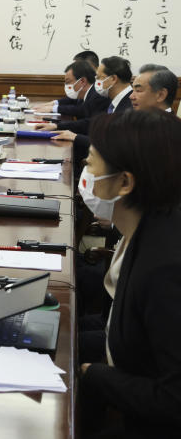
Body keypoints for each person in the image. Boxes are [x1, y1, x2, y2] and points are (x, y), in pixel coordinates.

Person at [78, 110, 181, 437]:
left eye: (91, 162)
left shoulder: (166, 268)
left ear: (125, 182)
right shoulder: (148, 227)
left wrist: (95, 375)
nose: (85, 170)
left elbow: (174, 399)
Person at [35, 56, 133, 143]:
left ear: (113, 79)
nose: (96, 82)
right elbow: (94, 123)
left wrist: (76, 137)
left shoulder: (130, 105)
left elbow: (112, 144)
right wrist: (59, 126)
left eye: (99, 78)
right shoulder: (117, 100)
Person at [35, 59, 108, 118]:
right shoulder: (83, 94)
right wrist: (52, 104)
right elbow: (72, 102)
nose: (66, 86)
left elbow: (82, 113)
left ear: (82, 81)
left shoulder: (98, 95)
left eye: (68, 82)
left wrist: (53, 110)